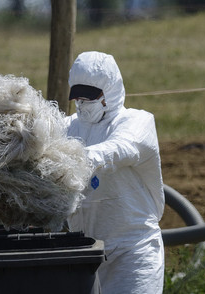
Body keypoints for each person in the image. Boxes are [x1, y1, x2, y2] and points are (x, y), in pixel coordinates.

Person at [65, 51, 165, 294]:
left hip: (132, 253)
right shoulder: (70, 126)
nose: (81, 104)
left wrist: (67, 160)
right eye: (77, 98)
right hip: (86, 254)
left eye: (88, 98)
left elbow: (119, 149)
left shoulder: (137, 123)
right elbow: (39, 142)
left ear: (109, 92)